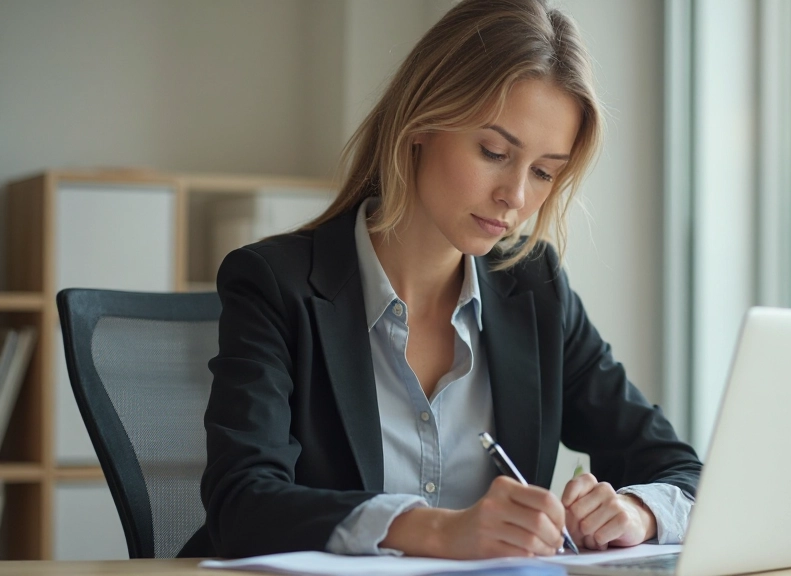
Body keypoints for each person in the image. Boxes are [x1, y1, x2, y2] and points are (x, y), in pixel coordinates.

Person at [183, 0, 702, 560]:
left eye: (544, 172)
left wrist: (637, 511)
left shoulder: (534, 291)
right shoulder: (275, 284)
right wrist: (434, 530)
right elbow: (243, 501)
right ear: (422, 123)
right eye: (494, 151)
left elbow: (680, 469)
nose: (517, 196)